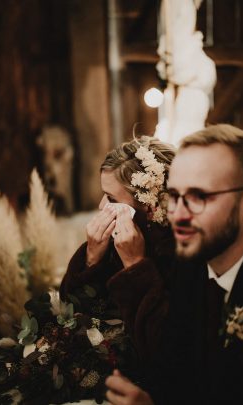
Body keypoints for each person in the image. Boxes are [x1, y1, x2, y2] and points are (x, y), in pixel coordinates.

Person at [105, 123, 243, 405]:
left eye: (199, 197)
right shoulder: (192, 263)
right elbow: (173, 371)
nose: (178, 214)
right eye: (175, 196)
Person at [60, 136, 176, 367]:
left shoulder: (180, 251)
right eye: (104, 194)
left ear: (148, 204)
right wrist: (92, 259)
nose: (102, 206)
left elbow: (168, 348)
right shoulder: (112, 242)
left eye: (112, 199)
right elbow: (70, 313)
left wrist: (135, 265)